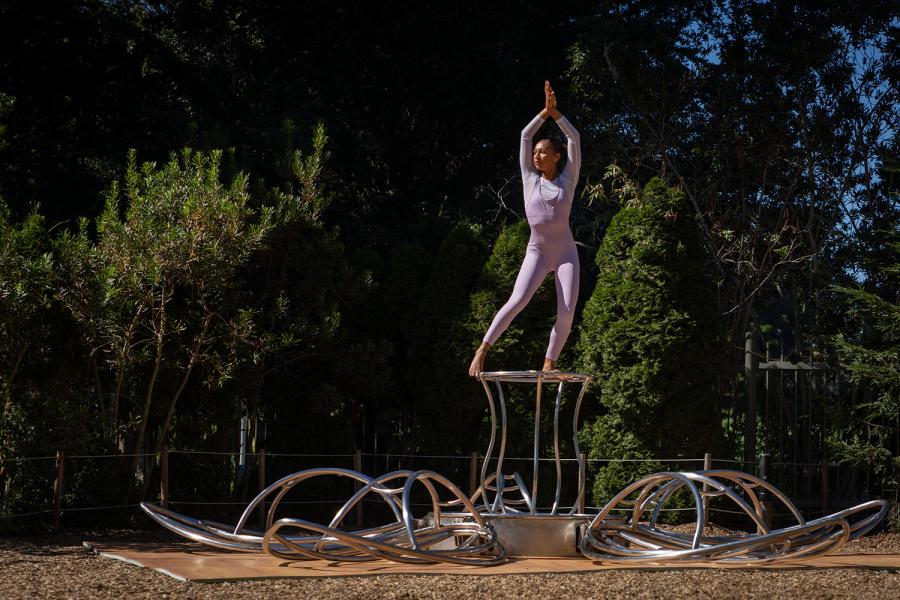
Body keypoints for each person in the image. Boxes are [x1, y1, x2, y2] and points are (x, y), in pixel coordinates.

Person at [469, 81, 581, 376]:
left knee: (567, 312)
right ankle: (482, 350)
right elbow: (525, 135)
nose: (536, 155)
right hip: (538, 250)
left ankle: (549, 364)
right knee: (517, 300)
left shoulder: (567, 180)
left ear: (557, 156)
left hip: (566, 252)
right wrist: (544, 112)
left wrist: (557, 115)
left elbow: (575, 138)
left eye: (543, 152)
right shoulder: (530, 179)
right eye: (536, 153)